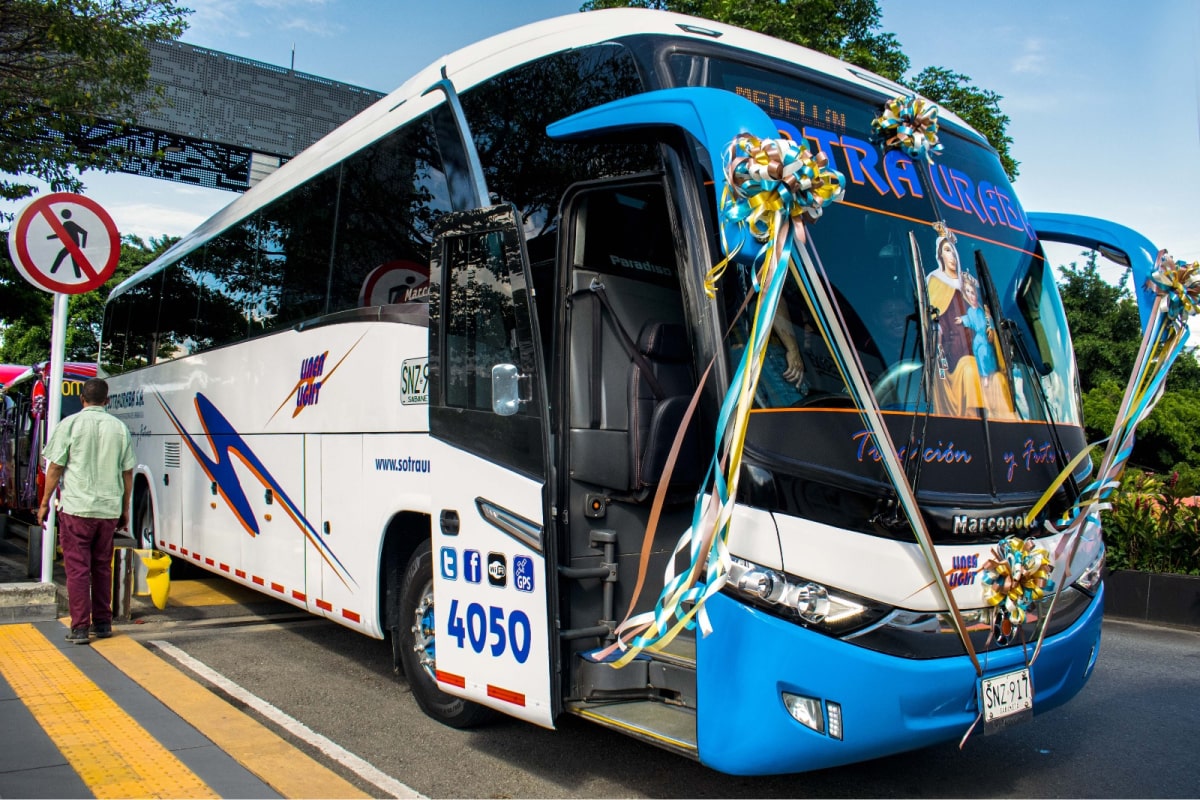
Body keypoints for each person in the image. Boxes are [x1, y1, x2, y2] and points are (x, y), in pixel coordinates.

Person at [37, 378, 134, 644]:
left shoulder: (69, 424)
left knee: (78, 568)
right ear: (107, 401)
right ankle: (103, 623)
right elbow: (127, 472)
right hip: (108, 510)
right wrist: (125, 507)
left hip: (76, 509)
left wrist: (45, 502)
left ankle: (80, 627)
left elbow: (55, 467)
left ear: (82, 399)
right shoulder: (120, 428)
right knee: (102, 566)